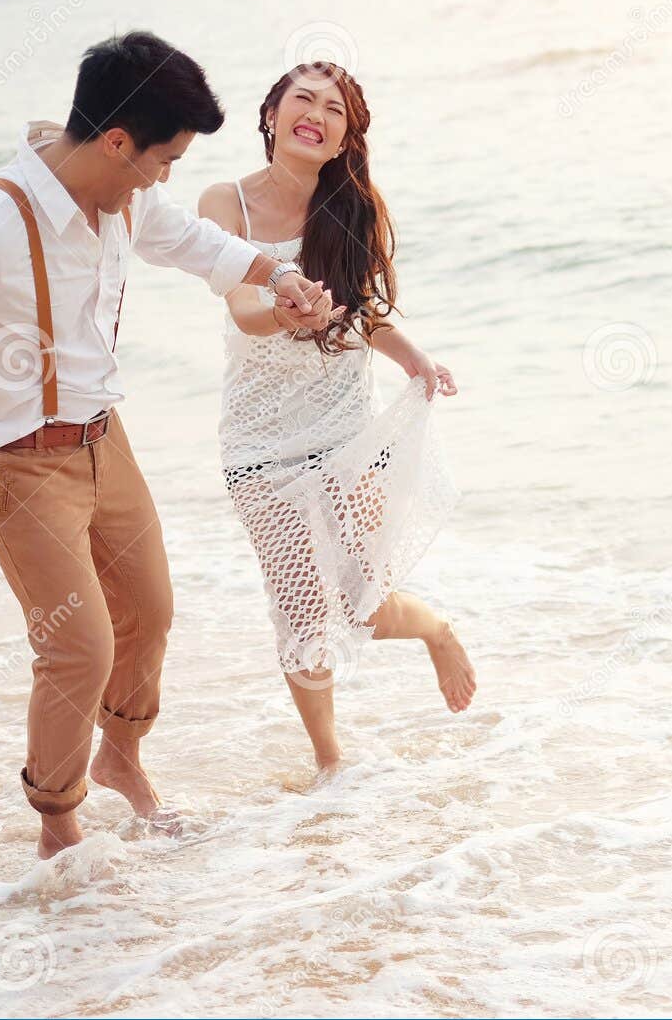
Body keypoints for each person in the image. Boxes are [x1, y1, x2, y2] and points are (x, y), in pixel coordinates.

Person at [0, 32, 335, 858]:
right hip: (14, 463)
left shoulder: (124, 197)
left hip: (105, 438)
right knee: (79, 644)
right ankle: (58, 822)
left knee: (149, 611)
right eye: (164, 158)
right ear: (117, 142)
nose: (167, 176)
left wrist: (276, 276)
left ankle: (119, 759)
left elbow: (192, 241)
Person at [198, 62, 476, 783]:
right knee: (300, 608)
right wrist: (285, 310)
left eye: (334, 110)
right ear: (271, 114)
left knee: (360, 602)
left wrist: (414, 356)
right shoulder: (224, 202)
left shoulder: (353, 208)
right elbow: (242, 312)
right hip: (259, 439)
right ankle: (330, 761)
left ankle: (437, 631)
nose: (315, 114)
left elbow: (361, 311)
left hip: (345, 425)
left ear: (343, 139)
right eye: (303, 99)